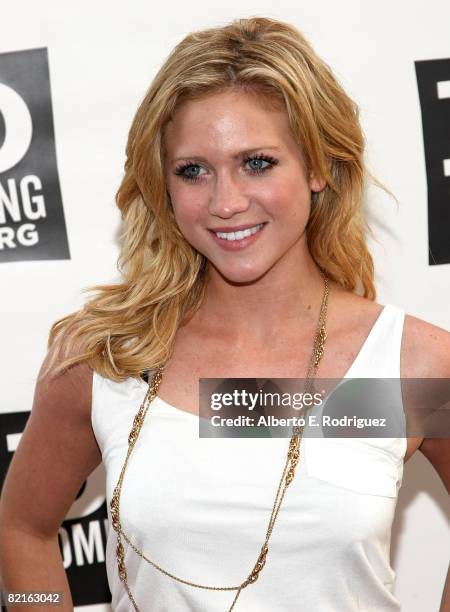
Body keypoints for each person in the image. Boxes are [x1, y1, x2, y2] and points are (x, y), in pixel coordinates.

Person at [0, 15, 449, 612]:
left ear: (318, 167)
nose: (226, 202)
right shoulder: (109, 357)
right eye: (193, 171)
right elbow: (21, 529)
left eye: (257, 162)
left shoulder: (406, 364)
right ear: (162, 185)